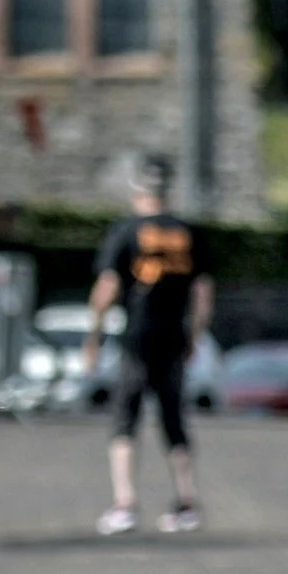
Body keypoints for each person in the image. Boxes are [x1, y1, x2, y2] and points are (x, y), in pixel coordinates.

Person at [85, 159, 214, 537]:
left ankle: (125, 503)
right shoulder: (188, 232)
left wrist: (92, 335)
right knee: (174, 419)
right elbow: (202, 293)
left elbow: (107, 287)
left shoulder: (126, 231)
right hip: (173, 336)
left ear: (137, 190)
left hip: (137, 336)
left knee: (125, 418)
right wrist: (195, 337)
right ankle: (186, 502)